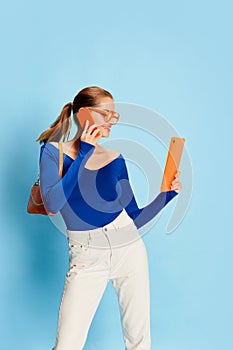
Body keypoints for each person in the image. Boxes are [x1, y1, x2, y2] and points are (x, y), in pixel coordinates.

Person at [37, 86, 182, 350]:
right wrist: (84, 152)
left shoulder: (115, 159)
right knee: (67, 343)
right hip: (86, 254)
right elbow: (53, 204)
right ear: (83, 115)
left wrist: (167, 195)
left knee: (139, 341)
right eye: (106, 114)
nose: (111, 122)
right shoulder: (52, 152)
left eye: (114, 116)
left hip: (129, 247)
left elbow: (135, 217)